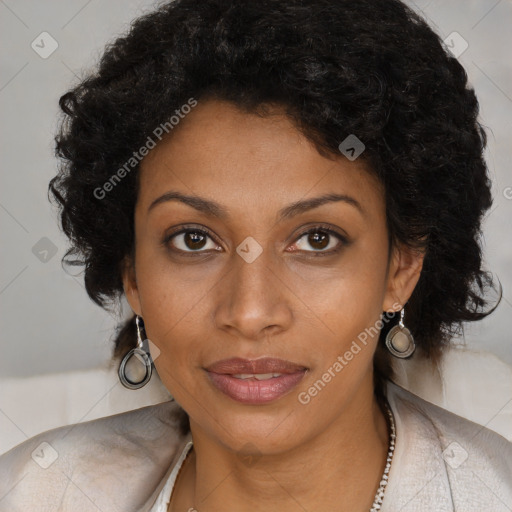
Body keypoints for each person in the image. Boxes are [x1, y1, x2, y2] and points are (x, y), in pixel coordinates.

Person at [1, 0, 511, 510]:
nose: (249, 313)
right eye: (194, 240)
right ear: (131, 273)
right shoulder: (32, 492)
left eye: (317, 239)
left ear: (400, 267)